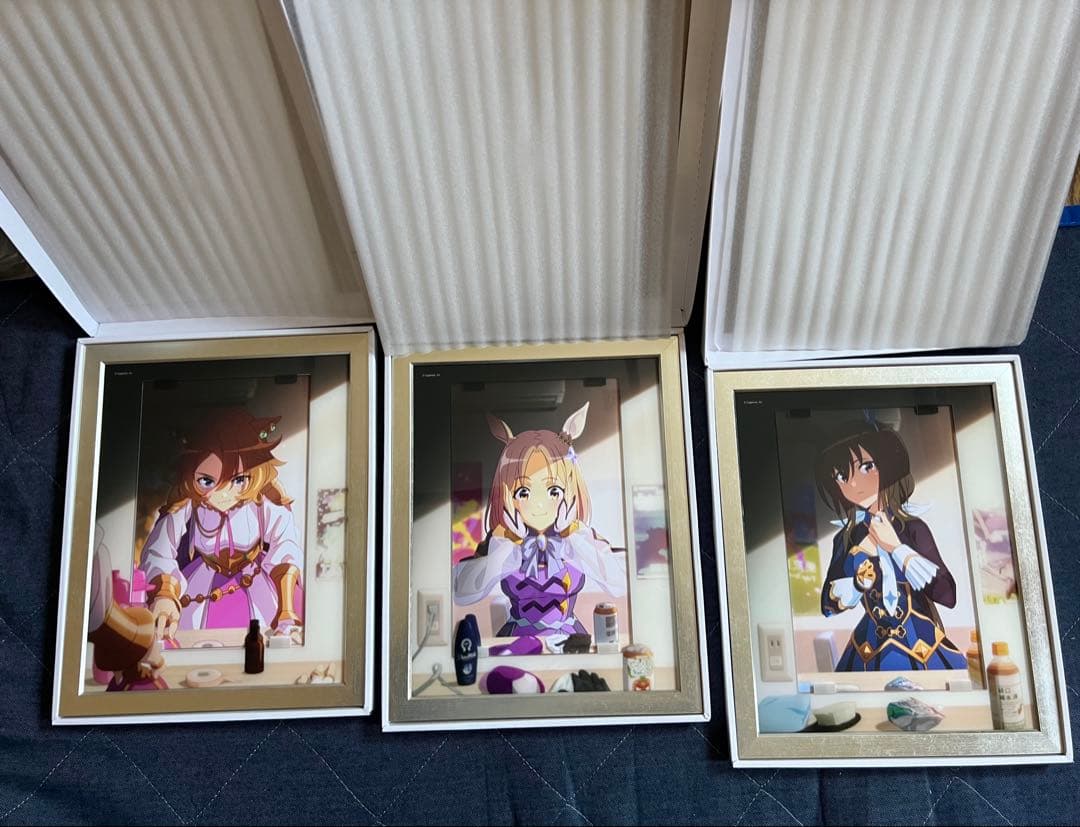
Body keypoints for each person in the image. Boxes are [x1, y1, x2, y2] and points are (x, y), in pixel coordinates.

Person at [453, 403, 626, 638]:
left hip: (568, 640)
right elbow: (461, 591)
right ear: (506, 494)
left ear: (570, 488)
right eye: (523, 492)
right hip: (516, 641)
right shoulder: (503, 538)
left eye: (553, 490)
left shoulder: (577, 536)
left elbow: (619, 582)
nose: (539, 504)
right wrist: (507, 543)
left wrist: (574, 535)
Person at [139, 408, 303, 640]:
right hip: (202, 584)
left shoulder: (262, 502)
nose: (223, 493)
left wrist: (286, 608)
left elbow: (286, 544)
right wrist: (165, 594)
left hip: (256, 583)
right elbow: (158, 550)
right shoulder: (189, 504)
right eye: (207, 481)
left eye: (238, 480)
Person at [817, 422, 966, 671]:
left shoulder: (913, 529)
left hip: (924, 649)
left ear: (887, 465)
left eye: (866, 467)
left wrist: (897, 548)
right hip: (866, 652)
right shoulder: (846, 538)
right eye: (842, 477)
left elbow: (948, 596)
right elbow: (827, 606)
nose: (853, 485)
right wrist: (857, 582)